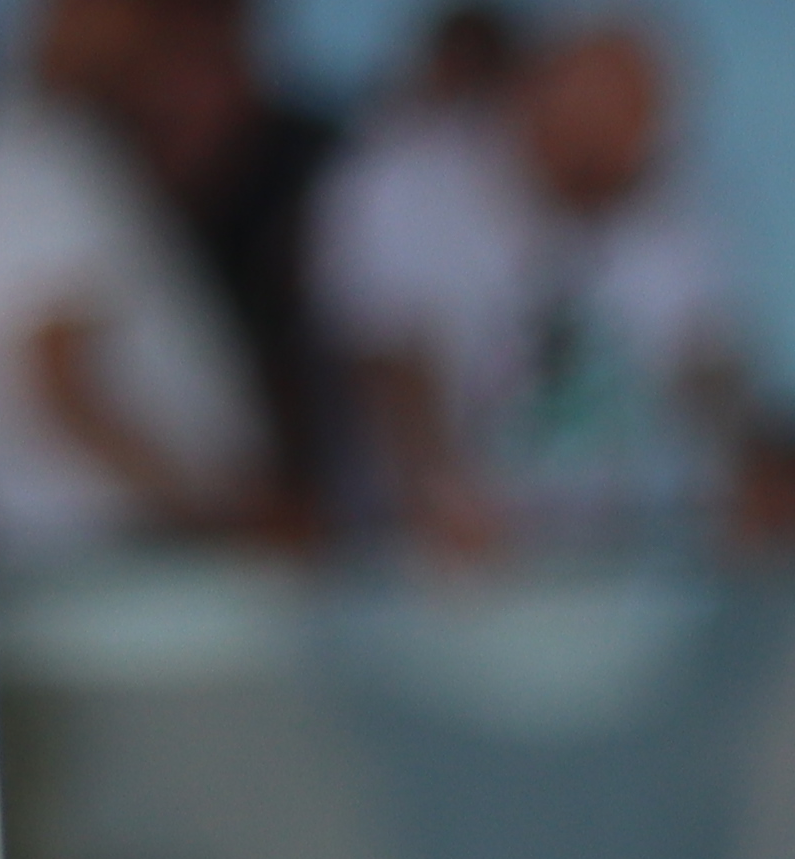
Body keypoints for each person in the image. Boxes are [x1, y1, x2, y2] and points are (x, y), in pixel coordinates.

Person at [314, 17, 747, 552]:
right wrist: (440, 495)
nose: (624, 142)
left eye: (642, 118)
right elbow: (390, 363)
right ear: (537, 87)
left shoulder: (669, 205)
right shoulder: (397, 184)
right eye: (601, 108)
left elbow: (710, 360)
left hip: (618, 582)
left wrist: (749, 468)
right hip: (419, 583)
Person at [0, 0, 285, 556]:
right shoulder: (39, 155)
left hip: (140, 555)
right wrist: (210, 511)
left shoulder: (70, 143)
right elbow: (62, 387)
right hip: (113, 556)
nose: (149, 36)